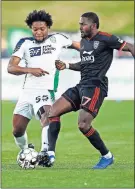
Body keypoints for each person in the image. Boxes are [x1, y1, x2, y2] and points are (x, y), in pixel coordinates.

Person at [41, 12, 134, 169]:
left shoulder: (106, 38)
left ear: (94, 25)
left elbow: (131, 47)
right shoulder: (84, 42)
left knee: (83, 125)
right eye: (79, 24)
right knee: (53, 112)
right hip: (81, 85)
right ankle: (50, 154)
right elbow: (84, 64)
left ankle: (107, 156)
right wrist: (68, 65)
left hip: (96, 86)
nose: (80, 27)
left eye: (83, 24)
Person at [7, 10, 80, 167]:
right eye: (35, 29)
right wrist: (30, 70)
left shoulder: (58, 39)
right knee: (17, 130)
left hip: (46, 90)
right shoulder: (24, 43)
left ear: (48, 28)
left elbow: (79, 46)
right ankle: (26, 151)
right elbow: (11, 68)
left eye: (42, 29)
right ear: (31, 29)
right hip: (27, 92)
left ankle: (45, 153)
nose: (39, 32)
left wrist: (95, 54)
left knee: (47, 118)